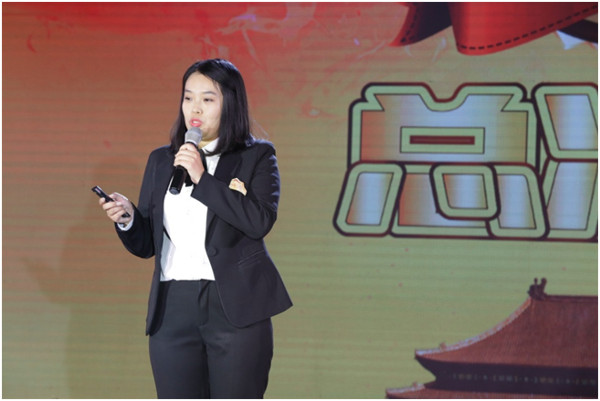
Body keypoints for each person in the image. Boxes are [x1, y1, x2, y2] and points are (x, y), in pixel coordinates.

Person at [98, 58, 292, 399]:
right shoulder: (162, 160)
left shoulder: (257, 156)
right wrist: (128, 219)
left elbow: (259, 221)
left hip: (234, 306)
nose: (195, 108)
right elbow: (147, 245)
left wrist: (203, 178)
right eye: (188, 97)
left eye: (207, 98)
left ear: (230, 104)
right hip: (172, 306)